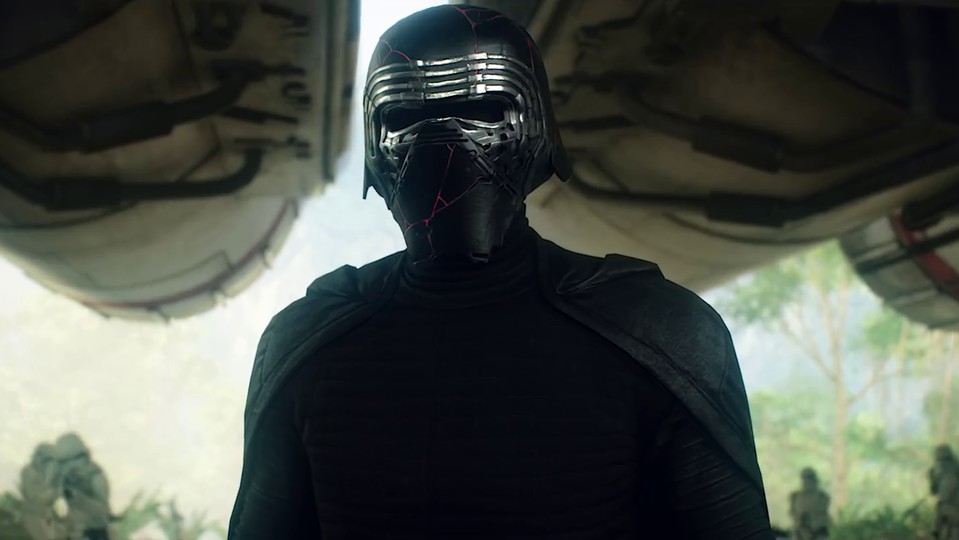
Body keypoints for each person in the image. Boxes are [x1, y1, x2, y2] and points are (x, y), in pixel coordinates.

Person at [229, 5, 773, 539]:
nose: (442, 141)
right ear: (376, 140)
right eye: (404, 118)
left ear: (537, 127)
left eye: (482, 109)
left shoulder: (657, 331)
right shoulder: (307, 340)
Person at [54, 433, 111, 540]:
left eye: (66, 462)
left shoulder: (96, 477)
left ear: (82, 458)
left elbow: (103, 515)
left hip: (94, 534)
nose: (65, 468)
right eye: (62, 463)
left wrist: (77, 497)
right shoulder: (66, 480)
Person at [19, 443, 66, 540]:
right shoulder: (30, 472)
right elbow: (37, 497)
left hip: (45, 515)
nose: (52, 464)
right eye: (49, 460)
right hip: (33, 515)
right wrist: (56, 490)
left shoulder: (46, 473)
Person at [789, 467, 830, 540]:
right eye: (805, 478)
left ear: (814, 480)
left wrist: (813, 526)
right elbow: (793, 515)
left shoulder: (822, 497)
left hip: (818, 534)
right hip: (800, 534)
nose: (807, 481)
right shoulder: (795, 497)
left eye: (809, 478)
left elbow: (823, 516)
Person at [931, 444, 959, 540]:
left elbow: (943, 504)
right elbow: (934, 492)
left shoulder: (950, 477)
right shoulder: (950, 474)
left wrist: (935, 530)